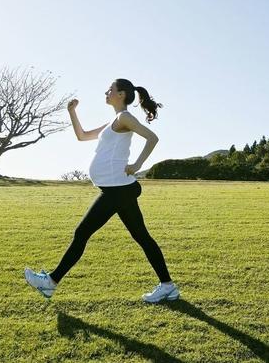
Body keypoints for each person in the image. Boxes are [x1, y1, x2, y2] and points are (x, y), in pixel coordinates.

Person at [24, 78, 179, 303]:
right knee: (142, 237)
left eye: (110, 89)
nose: (106, 92)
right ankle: (168, 286)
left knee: (82, 233)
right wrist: (72, 112)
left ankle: (50, 282)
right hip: (117, 189)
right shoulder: (114, 121)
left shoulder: (124, 117)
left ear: (122, 94)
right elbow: (82, 135)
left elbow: (152, 138)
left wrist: (137, 165)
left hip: (117, 189)